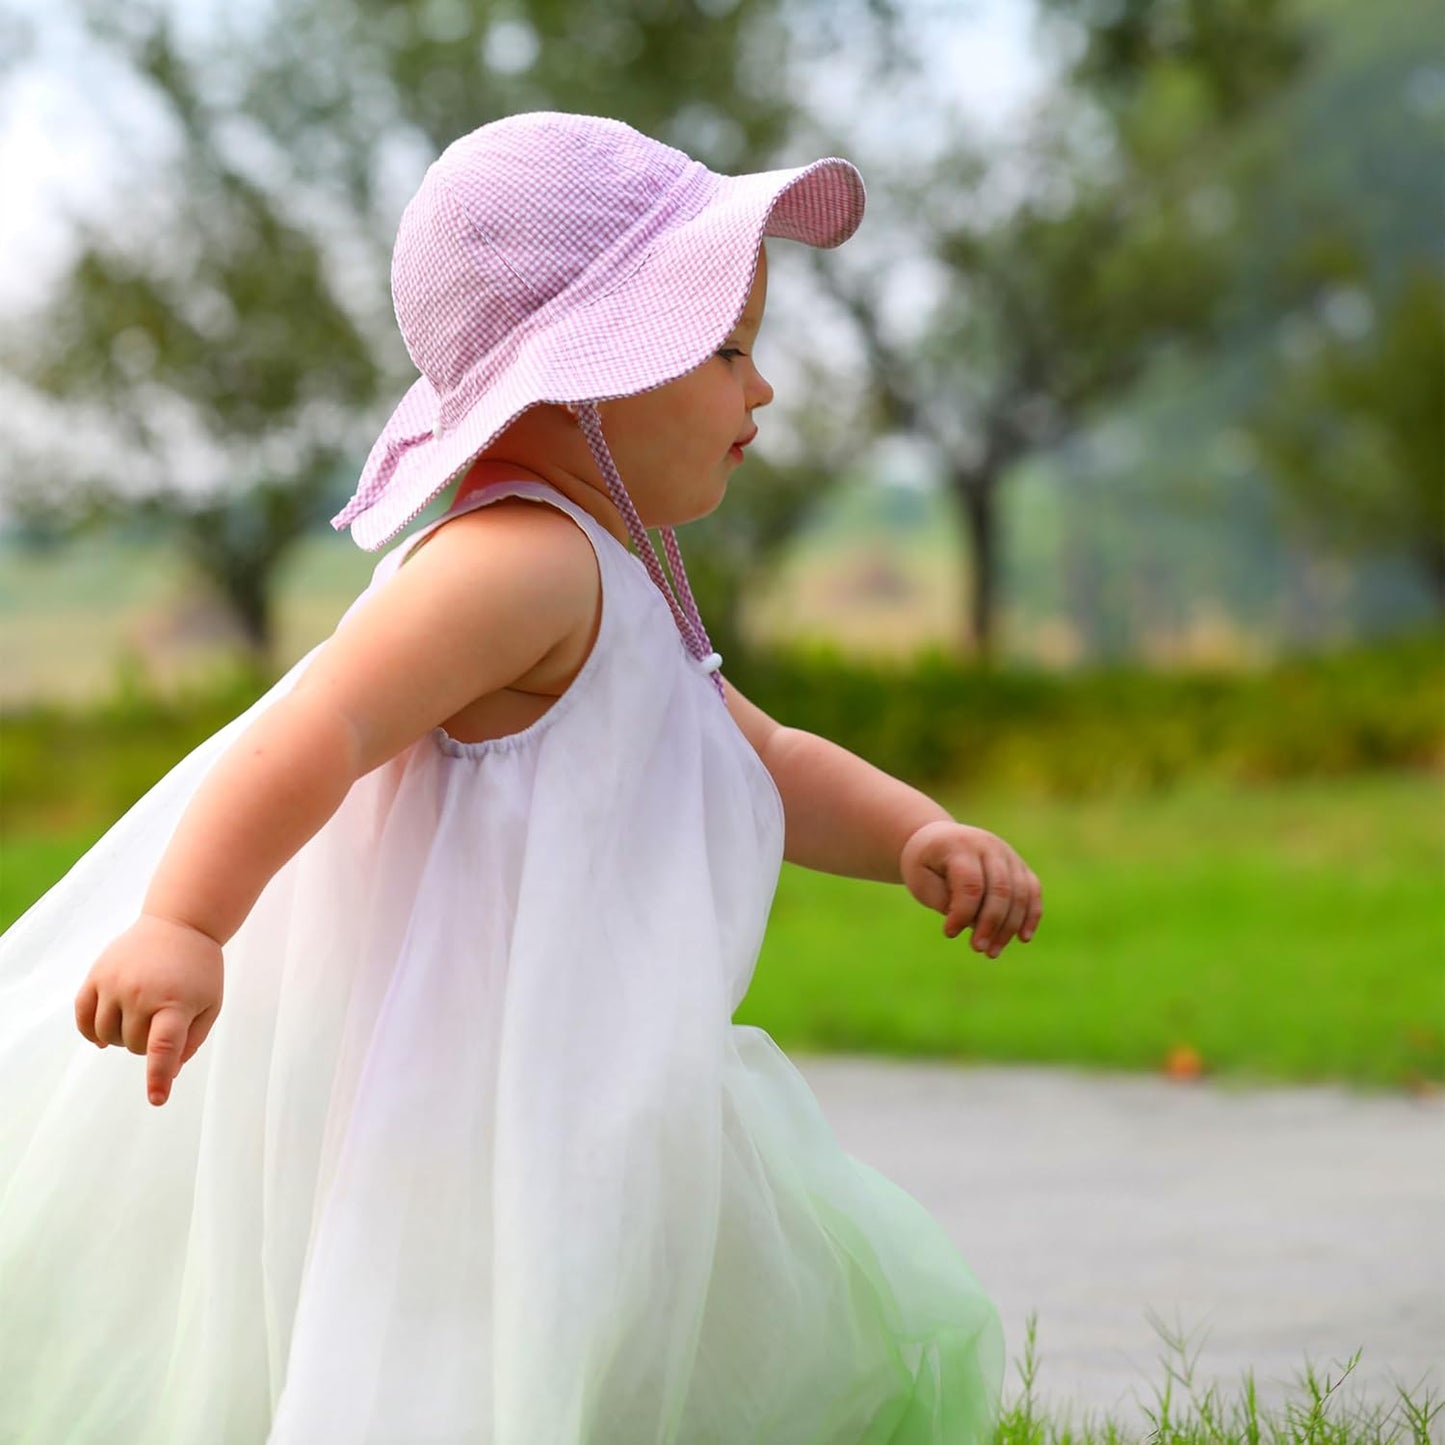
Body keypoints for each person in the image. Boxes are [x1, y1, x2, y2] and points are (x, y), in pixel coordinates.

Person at [0, 111, 1041, 1443]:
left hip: (586, 1065)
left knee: (600, 1309)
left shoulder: (625, 576)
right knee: (452, 1337)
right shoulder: (514, 565)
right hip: (464, 1089)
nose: (761, 390)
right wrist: (185, 920)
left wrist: (914, 833)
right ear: (594, 371)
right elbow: (317, 727)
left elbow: (760, 756)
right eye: (728, 350)